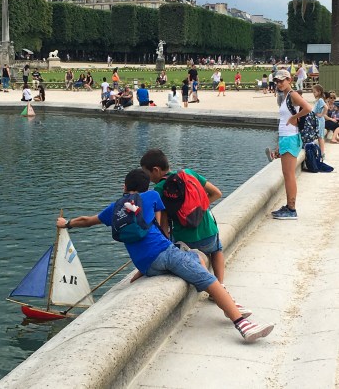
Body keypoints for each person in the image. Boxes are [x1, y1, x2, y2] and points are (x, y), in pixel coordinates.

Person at [56, 169, 274, 342]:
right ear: (145, 186)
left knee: (193, 257)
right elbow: (162, 225)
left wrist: (66, 223)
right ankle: (240, 322)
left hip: (147, 265)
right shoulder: (151, 195)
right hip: (165, 254)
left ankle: (228, 306)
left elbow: (87, 220)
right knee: (207, 276)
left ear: (124, 187)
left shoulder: (113, 209)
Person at [140, 149, 230, 290]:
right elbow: (217, 193)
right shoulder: (189, 173)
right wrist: (199, 210)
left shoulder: (159, 189)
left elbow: (163, 226)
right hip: (209, 235)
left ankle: (210, 286)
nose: (148, 178)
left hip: (185, 240)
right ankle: (221, 285)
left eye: (147, 173)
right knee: (217, 249)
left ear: (156, 170)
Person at [271, 69, 312, 220]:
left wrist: (295, 117)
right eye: (277, 81)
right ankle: (289, 206)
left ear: (290, 80)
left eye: (282, 80)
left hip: (290, 137)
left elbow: (308, 108)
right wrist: (279, 145)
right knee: (287, 174)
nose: (279, 83)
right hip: (285, 137)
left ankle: (291, 209)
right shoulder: (285, 96)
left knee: (289, 175)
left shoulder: (293, 94)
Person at [312, 84, 328, 159]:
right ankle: (320, 152)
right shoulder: (318, 100)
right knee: (318, 137)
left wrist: (321, 114)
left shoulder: (320, 100)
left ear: (319, 92)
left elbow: (326, 107)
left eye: (314, 92)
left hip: (320, 120)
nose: (313, 93)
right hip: (317, 120)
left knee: (320, 137)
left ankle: (322, 154)